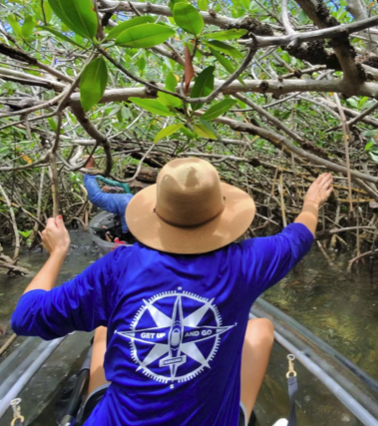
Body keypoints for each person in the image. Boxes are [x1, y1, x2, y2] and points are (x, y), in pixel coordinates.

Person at [11, 158, 333, 426]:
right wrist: (311, 203)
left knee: (102, 329)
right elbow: (299, 235)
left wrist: (58, 251)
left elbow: (25, 316)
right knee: (261, 327)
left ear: (154, 212)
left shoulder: (118, 266)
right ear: (222, 213)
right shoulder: (246, 263)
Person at [83, 156, 133, 239]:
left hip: (127, 205)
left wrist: (89, 170)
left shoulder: (127, 202)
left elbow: (96, 197)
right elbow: (123, 185)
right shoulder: (128, 199)